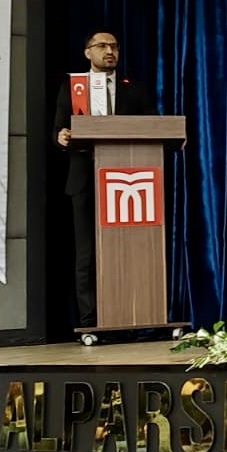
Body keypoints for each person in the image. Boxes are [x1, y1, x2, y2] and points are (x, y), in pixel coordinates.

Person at [52, 29, 155, 330]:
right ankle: (90, 322)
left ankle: (131, 318)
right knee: (87, 255)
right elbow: (58, 128)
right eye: (102, 46)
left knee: (126, 251)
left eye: (114, 46)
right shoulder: (73, 87)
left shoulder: (133, 89)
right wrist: (60, 136)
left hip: (126, 180)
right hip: (84, 179)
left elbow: (153, 124)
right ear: (88, 53)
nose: (110, 51)